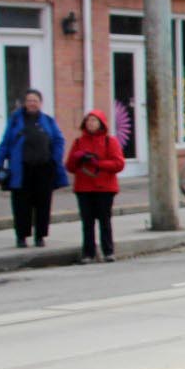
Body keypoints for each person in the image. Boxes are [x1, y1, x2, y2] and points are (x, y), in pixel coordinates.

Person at [0, 89, 67, 249]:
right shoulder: (15, 120)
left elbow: (59, 141)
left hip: (43, 169)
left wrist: (55, 159)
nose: (32, 103)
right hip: (21, 170)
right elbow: (5, 143)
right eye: (29, 100)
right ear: (24, 103)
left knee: (43, 204)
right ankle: (21, 236)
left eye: (35, 100)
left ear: (40, 103)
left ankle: (40, 236)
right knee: (21, 205)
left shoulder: (48, 121)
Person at [64, 109, 125, 263]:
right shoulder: (79, 142)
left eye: (94, 120)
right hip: (84, 188)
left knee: (104, 220)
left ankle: (108, 251)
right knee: (87, 222)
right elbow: (70, 166)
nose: (90, 123)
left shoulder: (110, 141)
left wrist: (98, 163)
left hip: (105, 188)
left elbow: (118, 164)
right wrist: (77, 159)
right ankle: (88, 253)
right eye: (88, 120)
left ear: (101, 123)